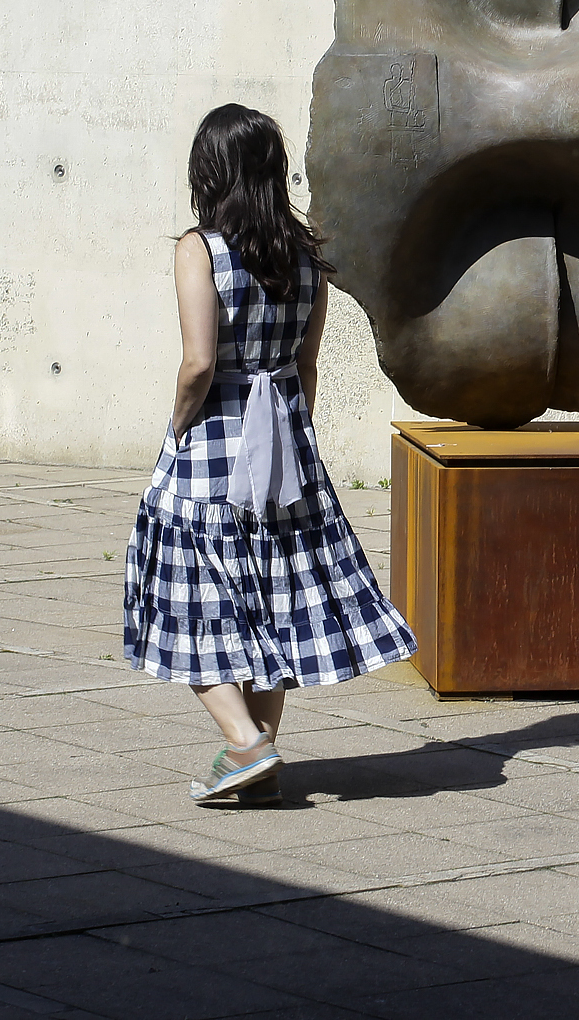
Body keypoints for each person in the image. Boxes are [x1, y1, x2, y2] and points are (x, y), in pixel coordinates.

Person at [123, 104, 418, 806]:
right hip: (287, 445)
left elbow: (199, 362)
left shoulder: (201, 248)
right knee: (276, 597)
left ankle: (246, 740)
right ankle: (261, 765)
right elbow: (305, 367)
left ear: (210, 169)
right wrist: (296, 437)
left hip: (214, 448)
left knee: (188, 594)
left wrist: (177, 424)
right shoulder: (307, 255)